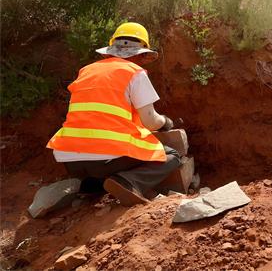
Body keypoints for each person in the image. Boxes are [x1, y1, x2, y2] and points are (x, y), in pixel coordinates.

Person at [47, 22, 181, 206]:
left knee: (105, 155)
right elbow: (150, 121)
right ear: (141, 55)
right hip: (105, 160)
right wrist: (165, 122)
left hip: (70, 161)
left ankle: (92, 186)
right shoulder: (134, 72)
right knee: (171, 156)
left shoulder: (86, 71)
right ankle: (128, 182)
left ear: (110, 51)